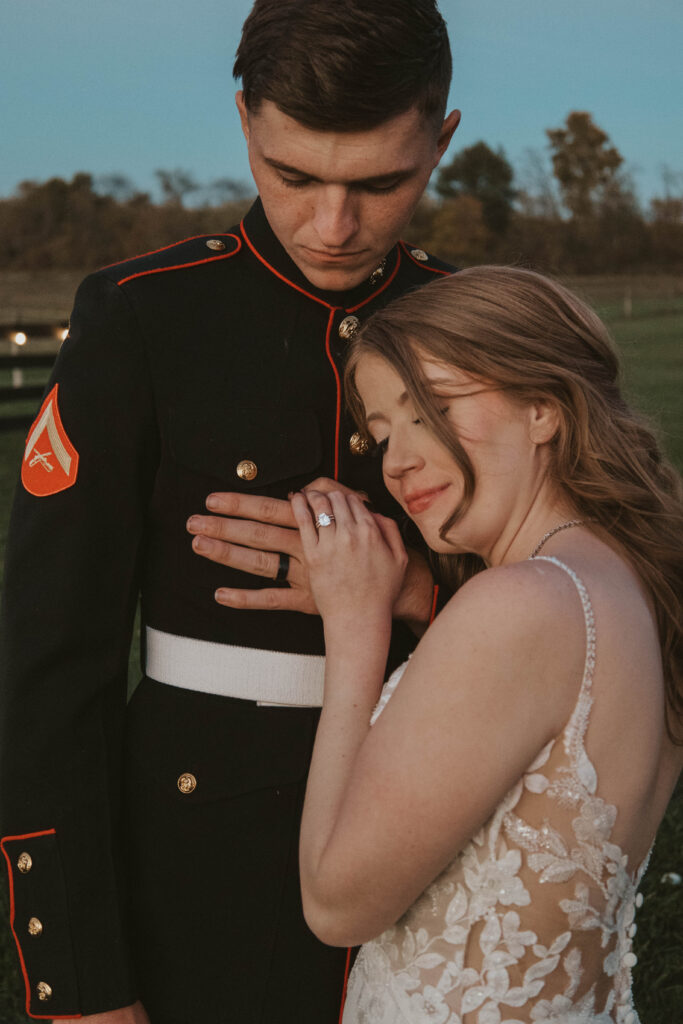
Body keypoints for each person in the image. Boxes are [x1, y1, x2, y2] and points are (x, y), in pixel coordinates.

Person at [0, 2, 461, 1021]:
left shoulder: (484, 324)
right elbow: (49, 675)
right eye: (293, 176)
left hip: (450, 821)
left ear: (441, 138)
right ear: (246, 123)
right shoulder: (144, 315)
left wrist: (416, 592)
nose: (331, 226)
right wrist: (77, 984)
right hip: (202, 853)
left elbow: (592, 589)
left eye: (380, 183)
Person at [286, 266, 683, 1023]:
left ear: (543, 406)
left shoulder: (519, 602)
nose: (395, 460)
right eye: (378, 434)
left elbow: (336, 904)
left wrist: (356, 625)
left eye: (431, 407)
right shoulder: (630, 585)